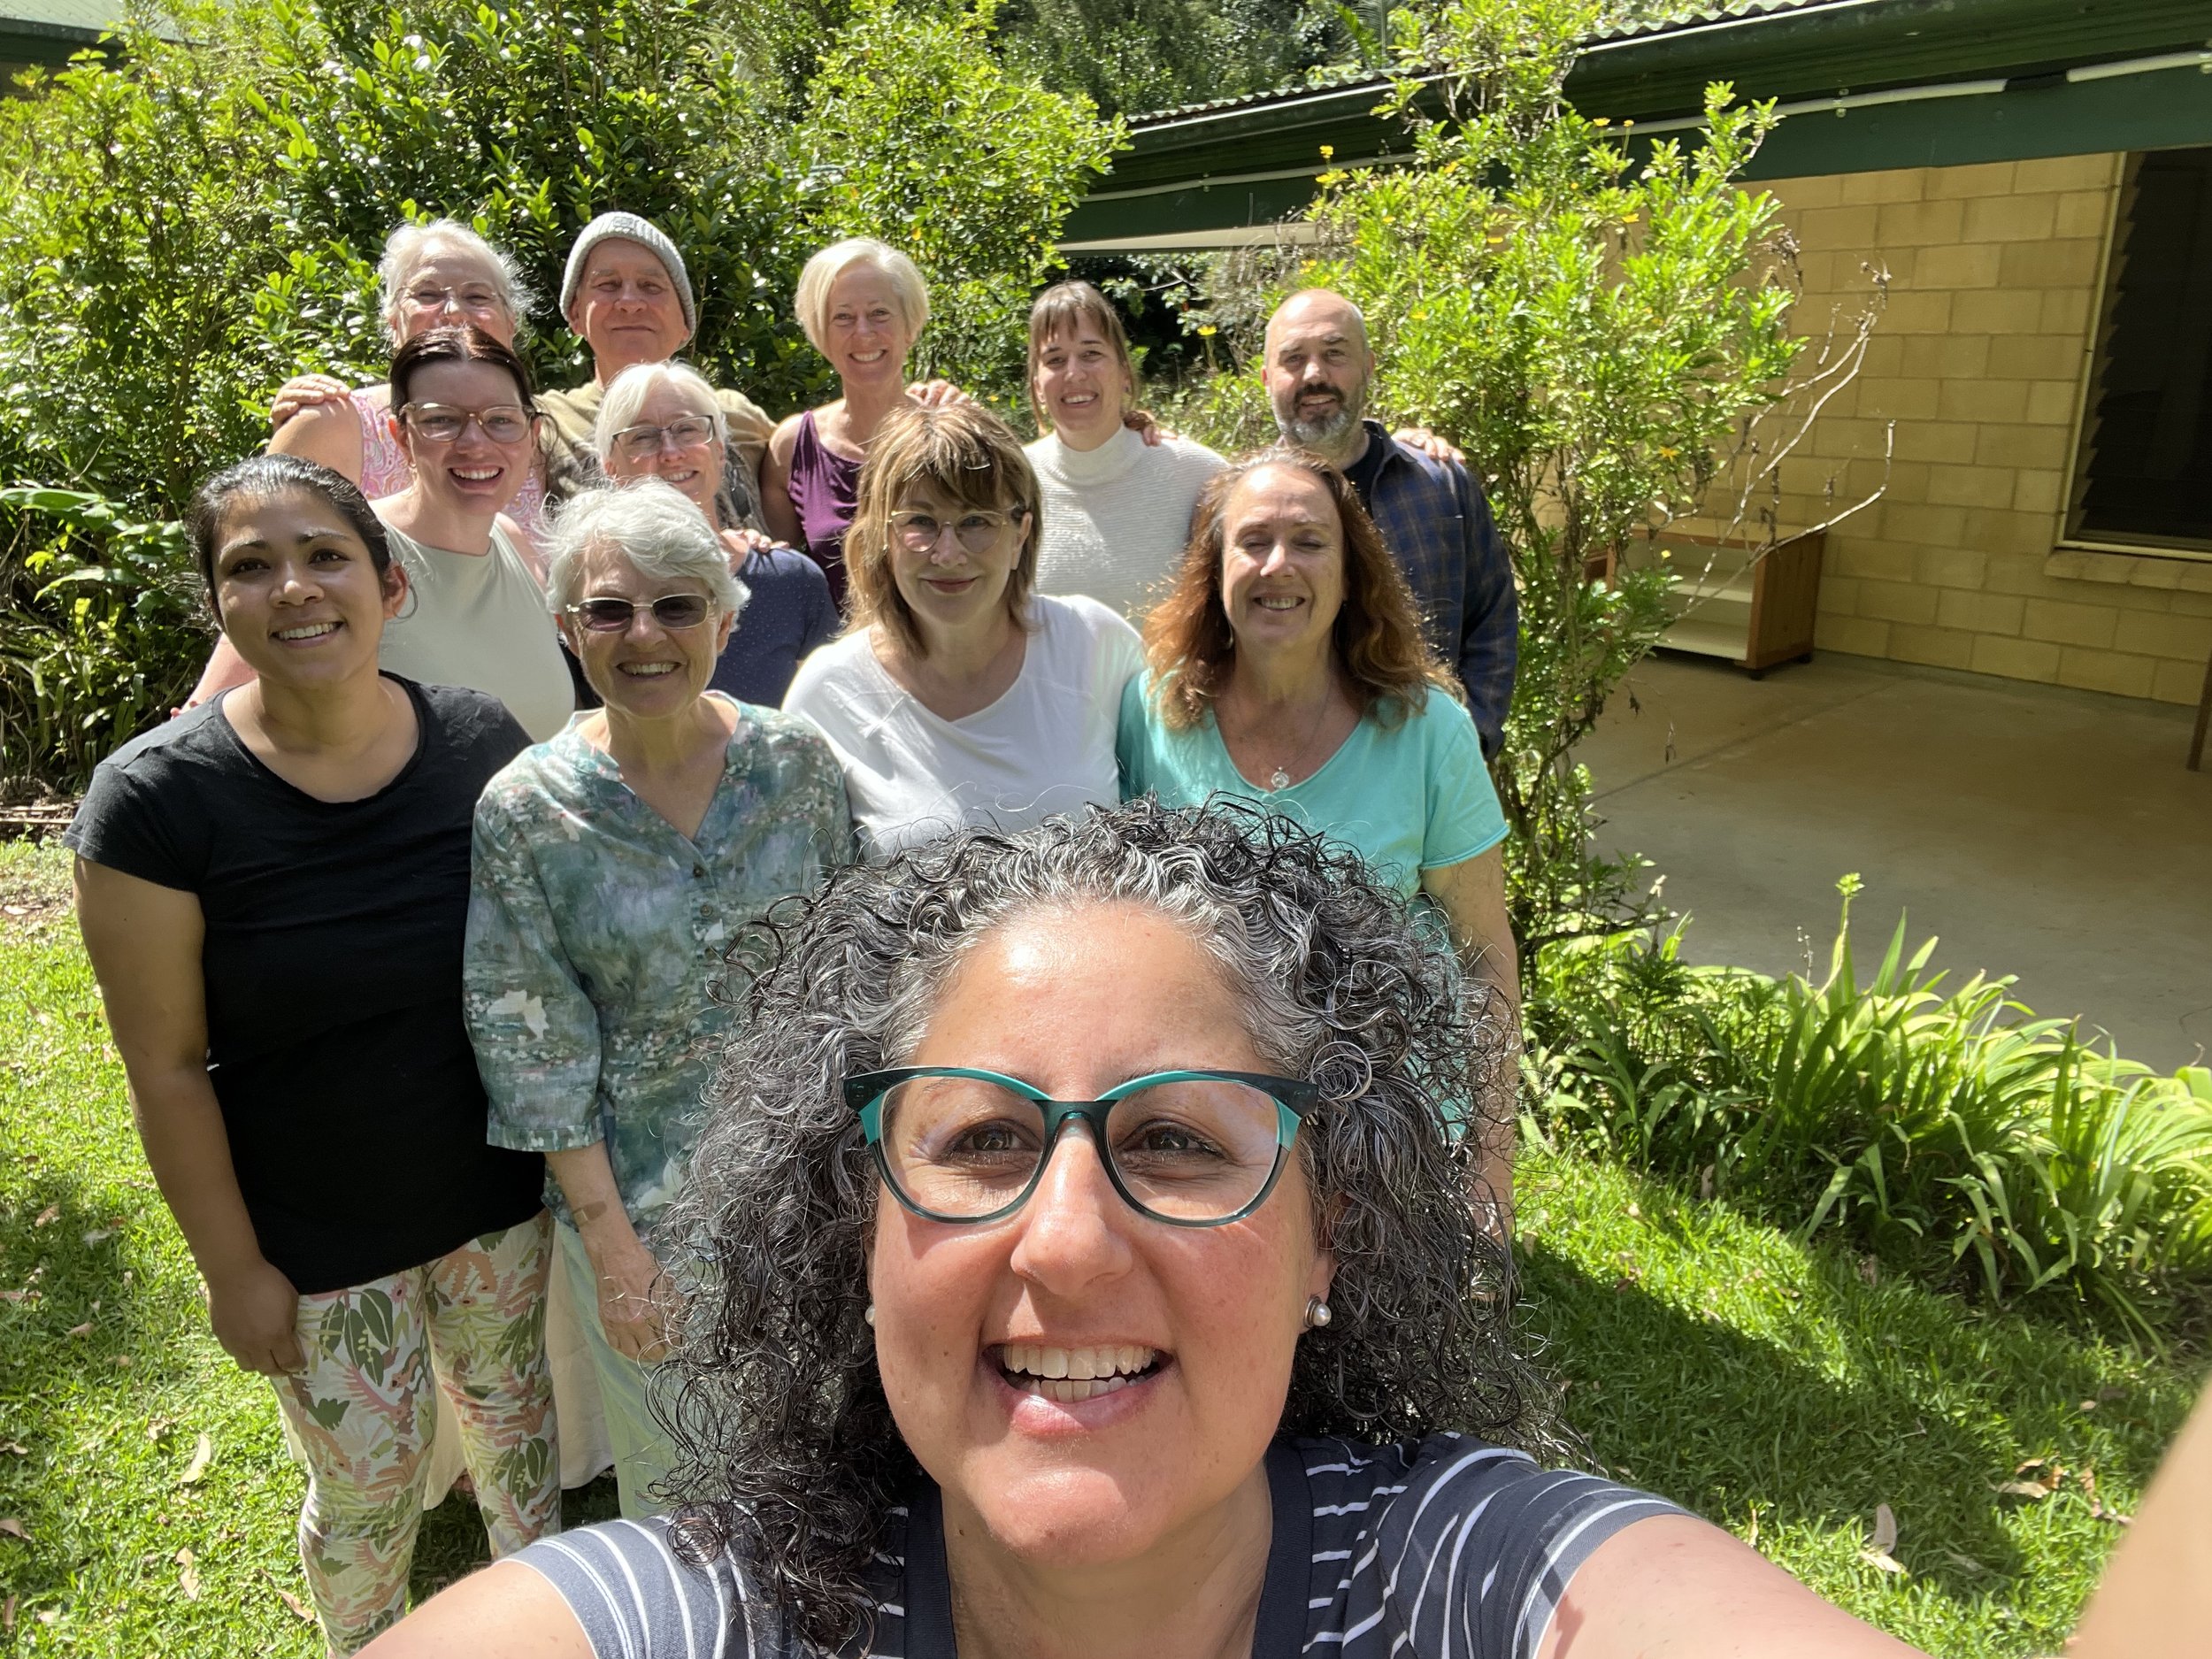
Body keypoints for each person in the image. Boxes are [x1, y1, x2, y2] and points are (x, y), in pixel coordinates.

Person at [359, 803, 1926, 1659]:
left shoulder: (1483, 1591)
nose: (1067, 1246)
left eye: (1175, 1143)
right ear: (860, 1232)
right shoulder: (721, 1622)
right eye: (977, 1142)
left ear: (1333, 1238)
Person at [66, 456, 556, 1655]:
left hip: (494, 1195)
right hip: (317, 1233)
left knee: (519, 1446)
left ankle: (553, 1630)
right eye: (251, 565)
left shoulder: (477, 739)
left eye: (326, 554)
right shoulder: (155, 804)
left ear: (388, 583)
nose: (295, 586)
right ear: (218, 604)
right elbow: (167, 1064)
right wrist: (234, 1268)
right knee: (370, 1493)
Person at [464, 481, 851, 1519]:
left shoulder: (796, 765)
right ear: (566, 629)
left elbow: (850, 978)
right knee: (687, 1486)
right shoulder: (528, 807)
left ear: (725, 622)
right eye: (609, 609)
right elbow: (530, 1045)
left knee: (822, 1462)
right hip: (641, 1212)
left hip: (807, 1191)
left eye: (678, 606)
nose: (645, 635)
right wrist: (614, 1249)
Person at [1117, 449, 1520, 1222]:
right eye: (1254, 540)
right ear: (1214, 566)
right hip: (1206, 1120)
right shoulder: (1156, 710)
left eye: (1308, 541)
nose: (1279, 564)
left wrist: (1490, 1172)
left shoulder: (1429, 730)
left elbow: (1485, 954)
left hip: (1390, 1118)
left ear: (1350, 569)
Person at [781, 403, 1143, 858]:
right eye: (919, 522)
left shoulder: (1094, 645)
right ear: (881, 537)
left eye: (977, 521)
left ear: (1020, 535)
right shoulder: (830, 692)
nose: (948, 553)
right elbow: (809, 892)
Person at [187, 326, 577, 740]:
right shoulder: (344, 558)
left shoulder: (513, 540)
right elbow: (224, 720)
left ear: (531, 435)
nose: (475, 443)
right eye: (441, 420)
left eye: (501, 420)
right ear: (401, 436)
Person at [1263, 288, 1519, 757]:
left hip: (1425, 764)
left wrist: (1473, 736)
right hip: (1287, 774)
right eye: (1293, 359)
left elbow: (1492, 618)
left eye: (1335, 354)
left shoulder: (1441, 485)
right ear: (1266, 378)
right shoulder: (1238, 507)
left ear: (1368, 366)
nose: (1314, 374)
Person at [265, 219, 557, 552]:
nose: (454, 312)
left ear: (511, 323)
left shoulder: (541, 433)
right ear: (392, 322)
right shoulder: (332, 424)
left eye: (477, 296)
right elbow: (264, 554)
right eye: (428, 294)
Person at [594, 361, 837, 707]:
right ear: (611, 467)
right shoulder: (595, 593)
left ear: (720, 452)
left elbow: (828, 720)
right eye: (643, 436)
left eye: (688, 430)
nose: (671, 452)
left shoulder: (791, 581)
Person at [536, 212, 778, 534]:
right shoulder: (544, 424)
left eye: (651, 286)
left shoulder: (741, 418)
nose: (630, 302)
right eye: (608, 285)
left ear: (684, 324)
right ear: (575, 314)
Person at [1025, 280, 1228, 622]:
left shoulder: (1198, 474)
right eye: (1055, 359)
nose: (1074, 373)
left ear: (1124, 372)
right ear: (1037, 386)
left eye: (1091, 353)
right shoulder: (1010, 481)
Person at [760, 239, 936, 606]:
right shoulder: (792, 448)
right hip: (840, 656)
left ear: (910, 325)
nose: (863, 332)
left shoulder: (954, 434)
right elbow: (777, 587)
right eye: (843, 317)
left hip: (949, 657)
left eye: (879, 313)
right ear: (822, 334)